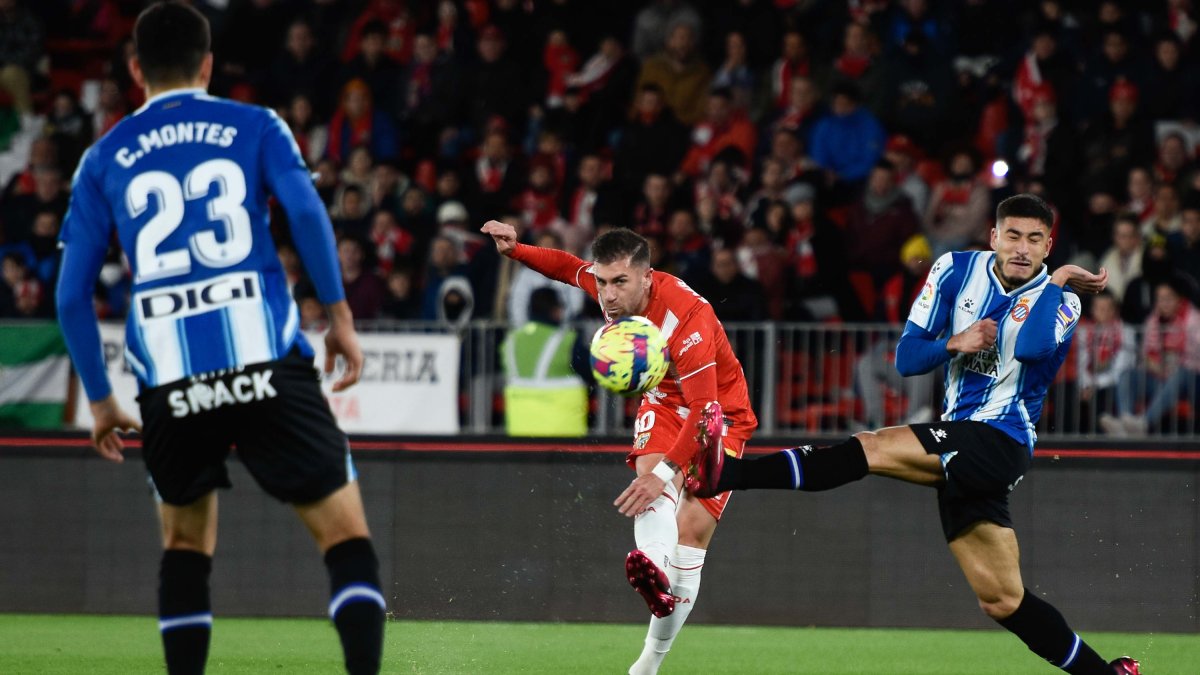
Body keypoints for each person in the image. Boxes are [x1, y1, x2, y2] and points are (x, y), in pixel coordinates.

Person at [54, 4, 384, 674]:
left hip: (170, 381)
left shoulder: (101, 158)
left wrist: (100, 399)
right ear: (207, 65)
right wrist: (339, 317)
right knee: (345, 540)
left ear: (136, 70)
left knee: (184, 550)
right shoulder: (256, 124)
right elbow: (305, 212)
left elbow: (69, 296)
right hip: (266, 363)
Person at [687, 194, 1140, 675]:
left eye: (1035, 240)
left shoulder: (1062, 299)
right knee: (1003, 600)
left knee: (871, 448)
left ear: (1048, 246)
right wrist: (954, 343)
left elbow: (1030, 349)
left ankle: (729, 475)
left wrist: (1061, 277)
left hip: (1001, 440)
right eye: (1013, 236)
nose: (1022, 249)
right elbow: (907, 359)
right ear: (994, 237)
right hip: (960, 439)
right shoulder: (955, 270)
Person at [481, 220, 756, 675]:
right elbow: (566, 267)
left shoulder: (687, 318)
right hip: (664, 400)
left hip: (719, 413)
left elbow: (704, 410)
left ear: (647, 277)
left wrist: (664, 475)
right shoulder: (610, 285)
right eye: (603, 282)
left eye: (619, 283)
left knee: (690, 536)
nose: (607, 295)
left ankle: (647, 663)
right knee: (650, 481)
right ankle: (653, 566)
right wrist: (517, 250)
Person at [500, 287, 590, 437]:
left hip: (520, 432)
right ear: (555, 310)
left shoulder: (511, 340)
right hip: (562, 433)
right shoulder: (566, 341)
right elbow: (592, 371)